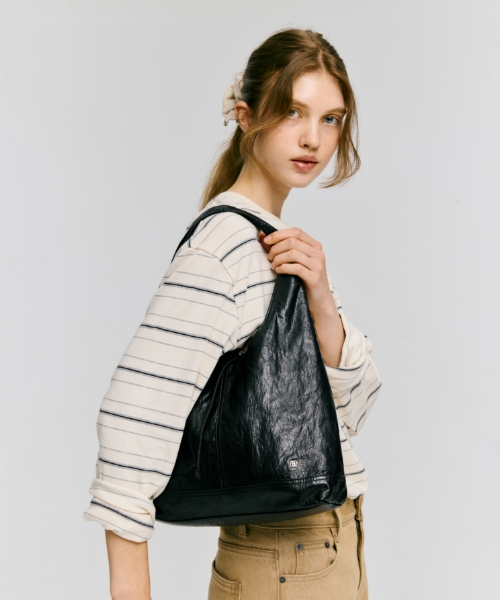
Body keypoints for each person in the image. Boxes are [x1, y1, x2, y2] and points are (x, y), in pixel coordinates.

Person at [83, 27, 382, 600]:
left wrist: (321, 299)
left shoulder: (281, 246)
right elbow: (131, 420)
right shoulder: (224, 248)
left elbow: (348, 411)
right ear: (245, 116)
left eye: (330, 119)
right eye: (292, 111)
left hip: (329, 547)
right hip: (287, 561)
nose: (313, 138)